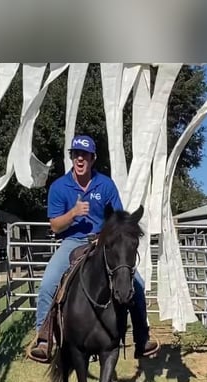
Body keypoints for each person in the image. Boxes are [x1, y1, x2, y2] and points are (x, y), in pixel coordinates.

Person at [28, 134, 159, 363]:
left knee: (136, 283)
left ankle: (142, 338)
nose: (80, 159)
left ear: (92, 158)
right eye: (76, 154)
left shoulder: (105, 184)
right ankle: (44, 338)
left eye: (85, 155)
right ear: (71, 157)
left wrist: (106, 236)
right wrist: (73, 213)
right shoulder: (59, 187)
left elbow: (117, 218)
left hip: (102, 241)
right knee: (48, 282)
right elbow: (55, 226)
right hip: (72, 241)